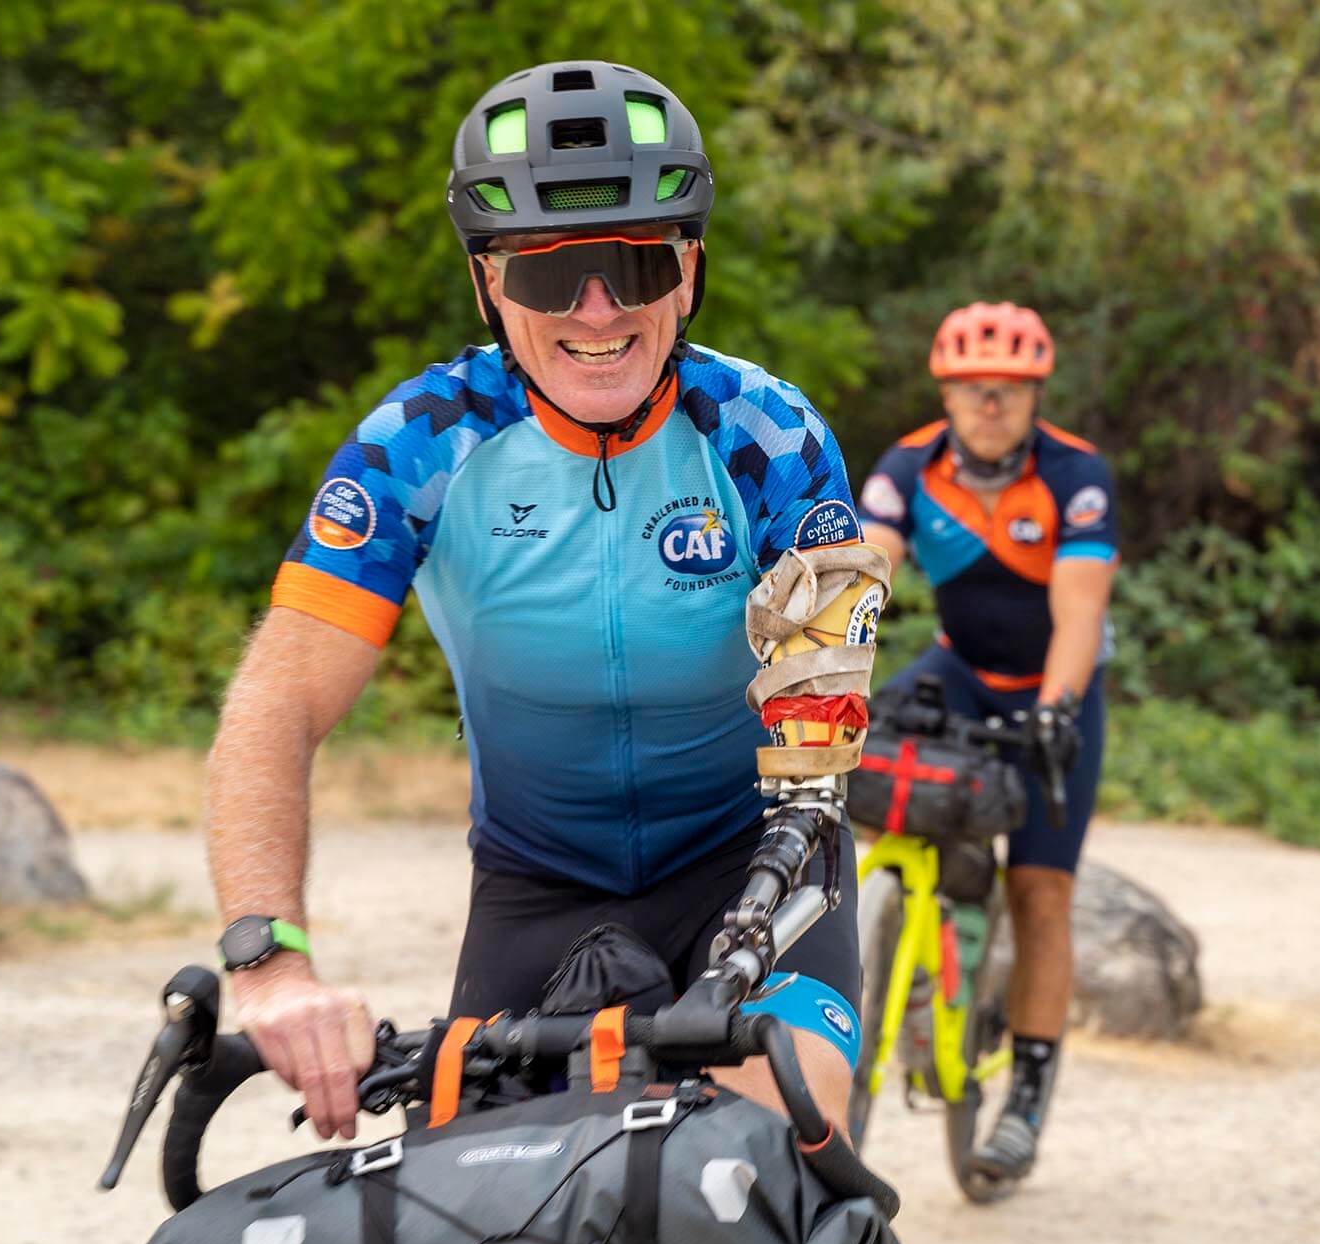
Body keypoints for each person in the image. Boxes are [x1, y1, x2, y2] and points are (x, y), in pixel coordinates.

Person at [204, 61, 888, 1142]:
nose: (597, 309)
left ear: (688, 267)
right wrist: (269, 959)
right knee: (468, 1243)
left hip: (751, 860)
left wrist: (777, 877)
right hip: (536, 883)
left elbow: (820, 700)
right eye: (547, 275)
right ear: (486, 284)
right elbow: (275, 702)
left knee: (775, 1167)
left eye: (633, 260)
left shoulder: (767, 428)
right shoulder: (420, 443)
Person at [857, 302, 1117, 1179]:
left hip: (1053, 687)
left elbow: (1081, 608)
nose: (990, 406)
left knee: (1042, 891)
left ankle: (1028, 1096)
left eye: (1007, 391)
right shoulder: (910, 466)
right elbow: (868, 569)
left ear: (1035, 393)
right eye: (973, 390)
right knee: (840, 771)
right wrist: (824, 657)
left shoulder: (1076, 475)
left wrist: (1057, 708)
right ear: (948, 393)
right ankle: (917, 925)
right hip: (957, 667)